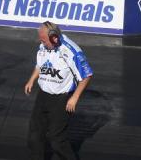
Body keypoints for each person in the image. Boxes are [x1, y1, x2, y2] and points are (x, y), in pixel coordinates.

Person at [24, 21, 93, 160]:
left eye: (43, 40)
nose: (41, 42)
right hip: (43, 95)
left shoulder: (71, 50)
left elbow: (87, 75)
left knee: (57, 140)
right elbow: (40, 65)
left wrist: (74, 98)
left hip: (61, 99)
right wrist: (31, 80)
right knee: (34, 135)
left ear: (54, 38)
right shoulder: (43, 46)